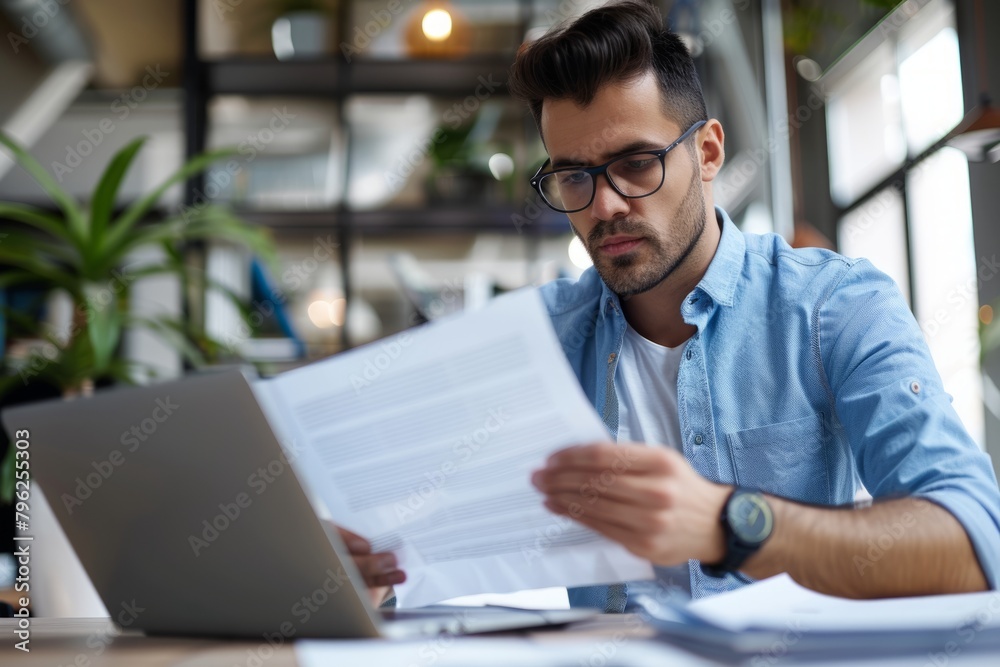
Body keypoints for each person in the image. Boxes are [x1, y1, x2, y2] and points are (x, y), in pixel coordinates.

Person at [341, 0, 1000, 609]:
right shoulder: (530, 340)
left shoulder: (834, 305)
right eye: (573, 175)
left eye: (635, 163)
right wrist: (362, 571)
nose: (604, 205)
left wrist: (730, 522)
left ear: (707, 152)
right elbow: (424, 542)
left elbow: (975, 542)